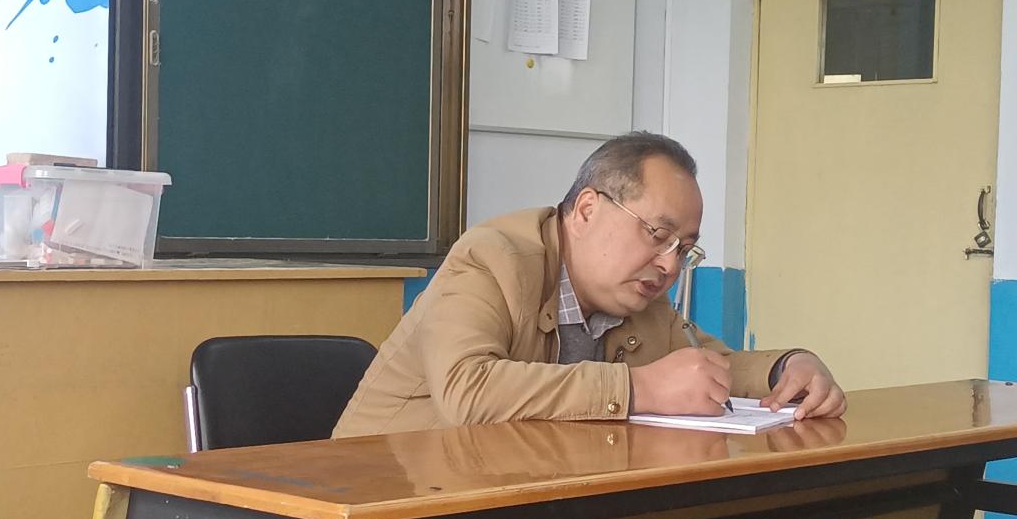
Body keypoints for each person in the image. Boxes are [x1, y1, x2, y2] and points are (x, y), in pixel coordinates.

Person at [333, 132, 845, 439]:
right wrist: (640, 388)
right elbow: (466, 390)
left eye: (684, 249)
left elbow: (707, 368)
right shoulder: (491, 258)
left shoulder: (638, 298)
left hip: (497, 501)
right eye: (658, 235)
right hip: (374, 504)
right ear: (586, 210)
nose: (670, 265)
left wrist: (786, 367)